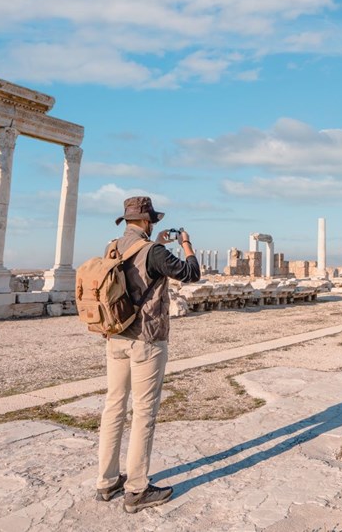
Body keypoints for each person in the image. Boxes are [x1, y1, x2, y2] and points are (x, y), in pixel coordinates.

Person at [95, 196, 200, 513]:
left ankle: (107, 480)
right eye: (152, 219)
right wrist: (187, 244)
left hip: (115, 336)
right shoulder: (154, 252)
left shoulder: (113, 247)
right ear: (148, 220)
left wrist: (157, 243)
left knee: (113, 407)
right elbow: (191, 273)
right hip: (147, 340)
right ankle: (137, 489)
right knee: (143, 413)